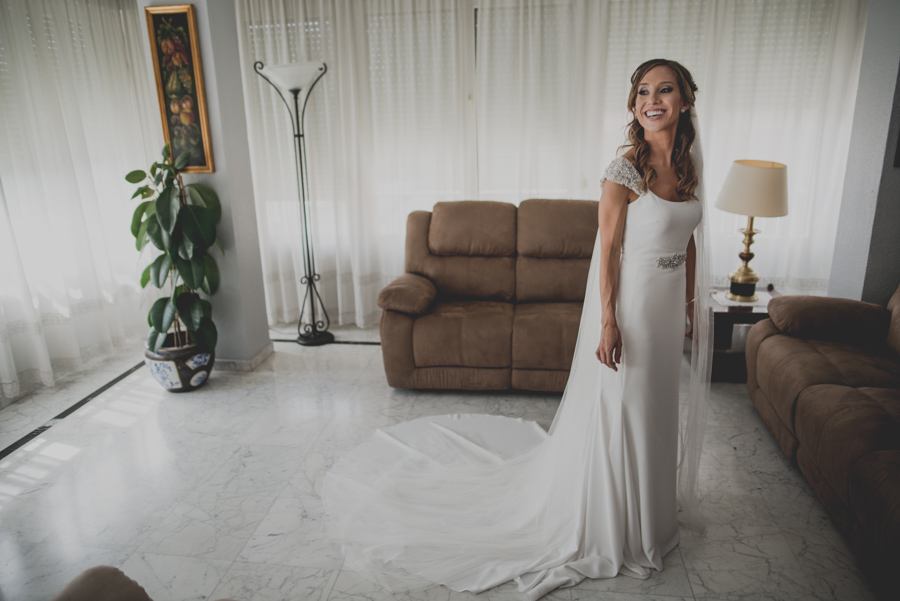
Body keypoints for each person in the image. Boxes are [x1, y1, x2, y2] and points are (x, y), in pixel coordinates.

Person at [320, 58, 712, 601]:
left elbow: (688, 238)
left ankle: (650, 515)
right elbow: (610, 252)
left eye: (665, 90)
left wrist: (692, 303)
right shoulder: (623, 170)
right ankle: (613, 523)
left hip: (668, 310)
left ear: (684, 100)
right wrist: (607, 319)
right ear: (633, 105)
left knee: (657, 407)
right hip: (633, 306)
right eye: (643, 91)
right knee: (625, 407)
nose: (653, 100)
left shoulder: (691, 168)